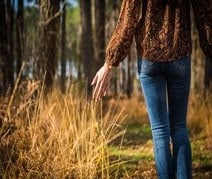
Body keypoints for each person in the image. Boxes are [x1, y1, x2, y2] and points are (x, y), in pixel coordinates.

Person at [91, 0, 212, 178]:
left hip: (149, 57)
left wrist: (110, 63)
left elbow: (128, 18)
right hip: (180, 53)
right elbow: (205, 13)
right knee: (179, 127)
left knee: (160, 131)